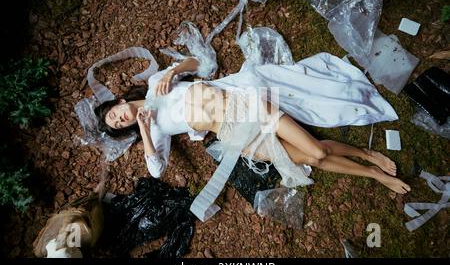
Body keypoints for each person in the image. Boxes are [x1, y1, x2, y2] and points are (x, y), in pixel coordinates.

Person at [95, 54, 411, 195]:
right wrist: (146, 133)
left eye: (114, 114)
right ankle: (373, 173)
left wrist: (172, 71)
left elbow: (196, 63)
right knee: (313, 159)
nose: (120, 120)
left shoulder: (154, 85)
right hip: (236, 136)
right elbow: (156, 170)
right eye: (118, 125)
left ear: (120, 102)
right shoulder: (154, 130)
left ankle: (367, 154)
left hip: (246, 107)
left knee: (314, 147)